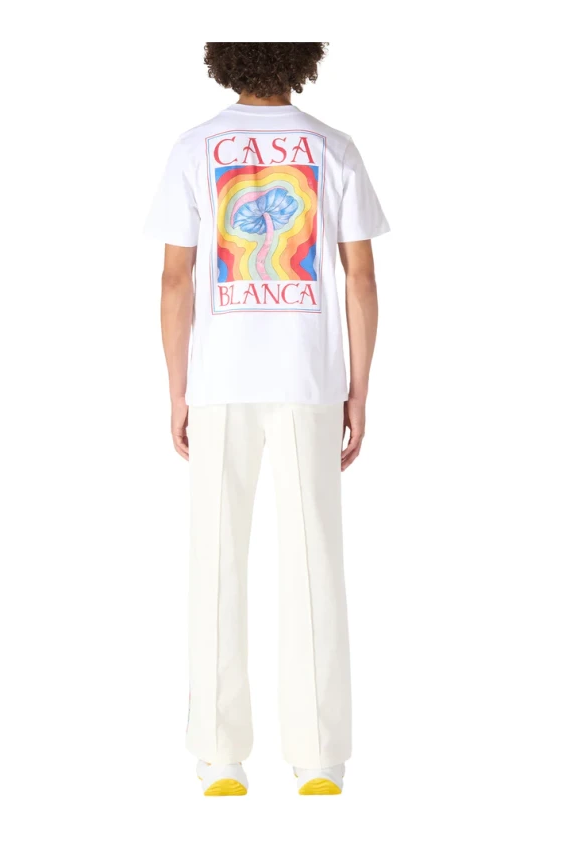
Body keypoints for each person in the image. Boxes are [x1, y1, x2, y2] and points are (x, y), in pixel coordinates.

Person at [145, 42, 389, 796]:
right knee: (315, 558)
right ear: (301, 58)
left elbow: (175, 279)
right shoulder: (333, 148)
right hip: (309, 378)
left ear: (224, 59)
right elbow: (359, 277)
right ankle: (318, 758)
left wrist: (178, 391)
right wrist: (357, 390)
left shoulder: (194, 148)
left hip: (220, 380)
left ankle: (220, 757)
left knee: (216, 558)